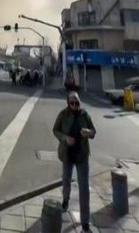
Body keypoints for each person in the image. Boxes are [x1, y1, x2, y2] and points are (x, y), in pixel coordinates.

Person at [53, 92, 96, 233]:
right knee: (66, 180)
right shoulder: (63, 114)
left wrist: (88, 132)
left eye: (77, 103)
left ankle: (85, 222)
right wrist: (65, 138)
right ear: (67, 103)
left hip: (82, 155)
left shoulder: (85, 115)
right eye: (72, 103)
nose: (75, 106)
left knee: (84, 188)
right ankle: (65, 201)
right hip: (67, 154)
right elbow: (55, 130)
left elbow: (94, 131)